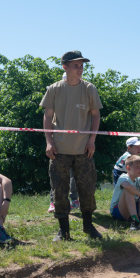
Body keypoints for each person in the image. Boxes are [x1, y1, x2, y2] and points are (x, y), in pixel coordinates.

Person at [41, 50, 103, 241]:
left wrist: (92, 140)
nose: (80, 68)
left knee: (87, 190)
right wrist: (49, 142)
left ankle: (88, 227)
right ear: (65, 67)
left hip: (83, 151)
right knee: (59, 192)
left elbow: (95, 115)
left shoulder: (89, 89)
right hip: (59, 151)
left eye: (82, 65)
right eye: (76, 65)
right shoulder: (54, 89)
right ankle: (63, 231)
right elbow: (48, 116)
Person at [47, 71, 79, 214]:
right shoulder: (56, 94)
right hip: (59, 143)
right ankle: (53, 202)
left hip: (77, 144)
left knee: (76, 175)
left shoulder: (81, 95)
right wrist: (49, 141)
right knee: (56, 175)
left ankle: (74, 200)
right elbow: (48, 118)